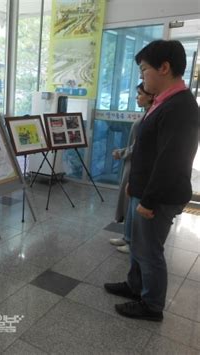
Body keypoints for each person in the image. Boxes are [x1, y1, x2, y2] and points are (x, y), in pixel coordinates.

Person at [104, 40, 198, 321]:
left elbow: (171, 161)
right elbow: (148, 150)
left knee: (149, 252)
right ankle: (135, 286)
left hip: (157, 197)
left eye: (144, 70)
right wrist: (135, 185)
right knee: (138, 246)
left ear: (164, 68)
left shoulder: (180, 107)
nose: (142, 77)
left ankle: (152, 305)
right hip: (142, 190)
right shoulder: (163, 102)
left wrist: (149, 199)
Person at [109, 83, 154, 254]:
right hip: (131, 163)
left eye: (140, 94)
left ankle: (132, 241)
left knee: (132, 203)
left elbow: (139, 147)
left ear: (150, 96)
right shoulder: (146, 115)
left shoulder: (151, 117)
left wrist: (121, 153)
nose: (137, 97)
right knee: (128, 203)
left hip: (136, 165)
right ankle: (127, 236)